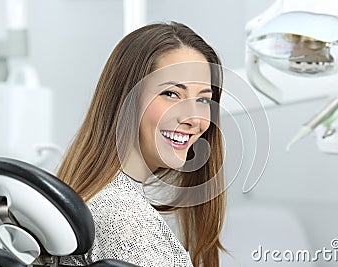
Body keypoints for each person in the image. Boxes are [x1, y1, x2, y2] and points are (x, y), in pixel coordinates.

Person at [58, 21, 226, 267]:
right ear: (126, 100)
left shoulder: (100, 198)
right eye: (171, 94)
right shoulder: (124, 217)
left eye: (203, 99)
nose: (193, 119)